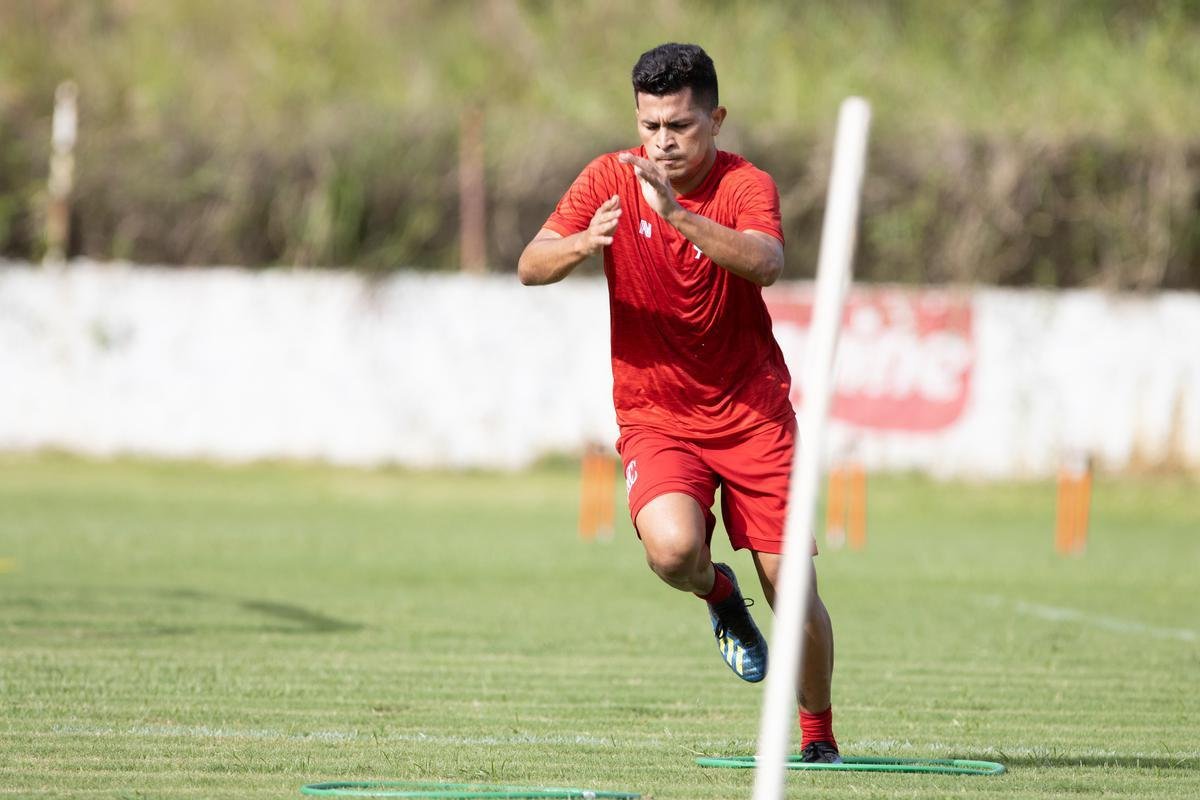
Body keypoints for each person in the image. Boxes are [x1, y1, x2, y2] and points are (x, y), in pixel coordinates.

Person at [517, 42, 840, 763]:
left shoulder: (746, 184)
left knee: (793, 593)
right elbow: (530, 264)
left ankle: (818, 734)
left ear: (715, 120)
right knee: (671, 551)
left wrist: (676, 215)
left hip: (753, 415)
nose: (662, 141)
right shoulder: (609, 176)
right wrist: (581, 244)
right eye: (650, 125)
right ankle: (719, 593)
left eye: (680, 126)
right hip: (657, 415)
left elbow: (766, 262)